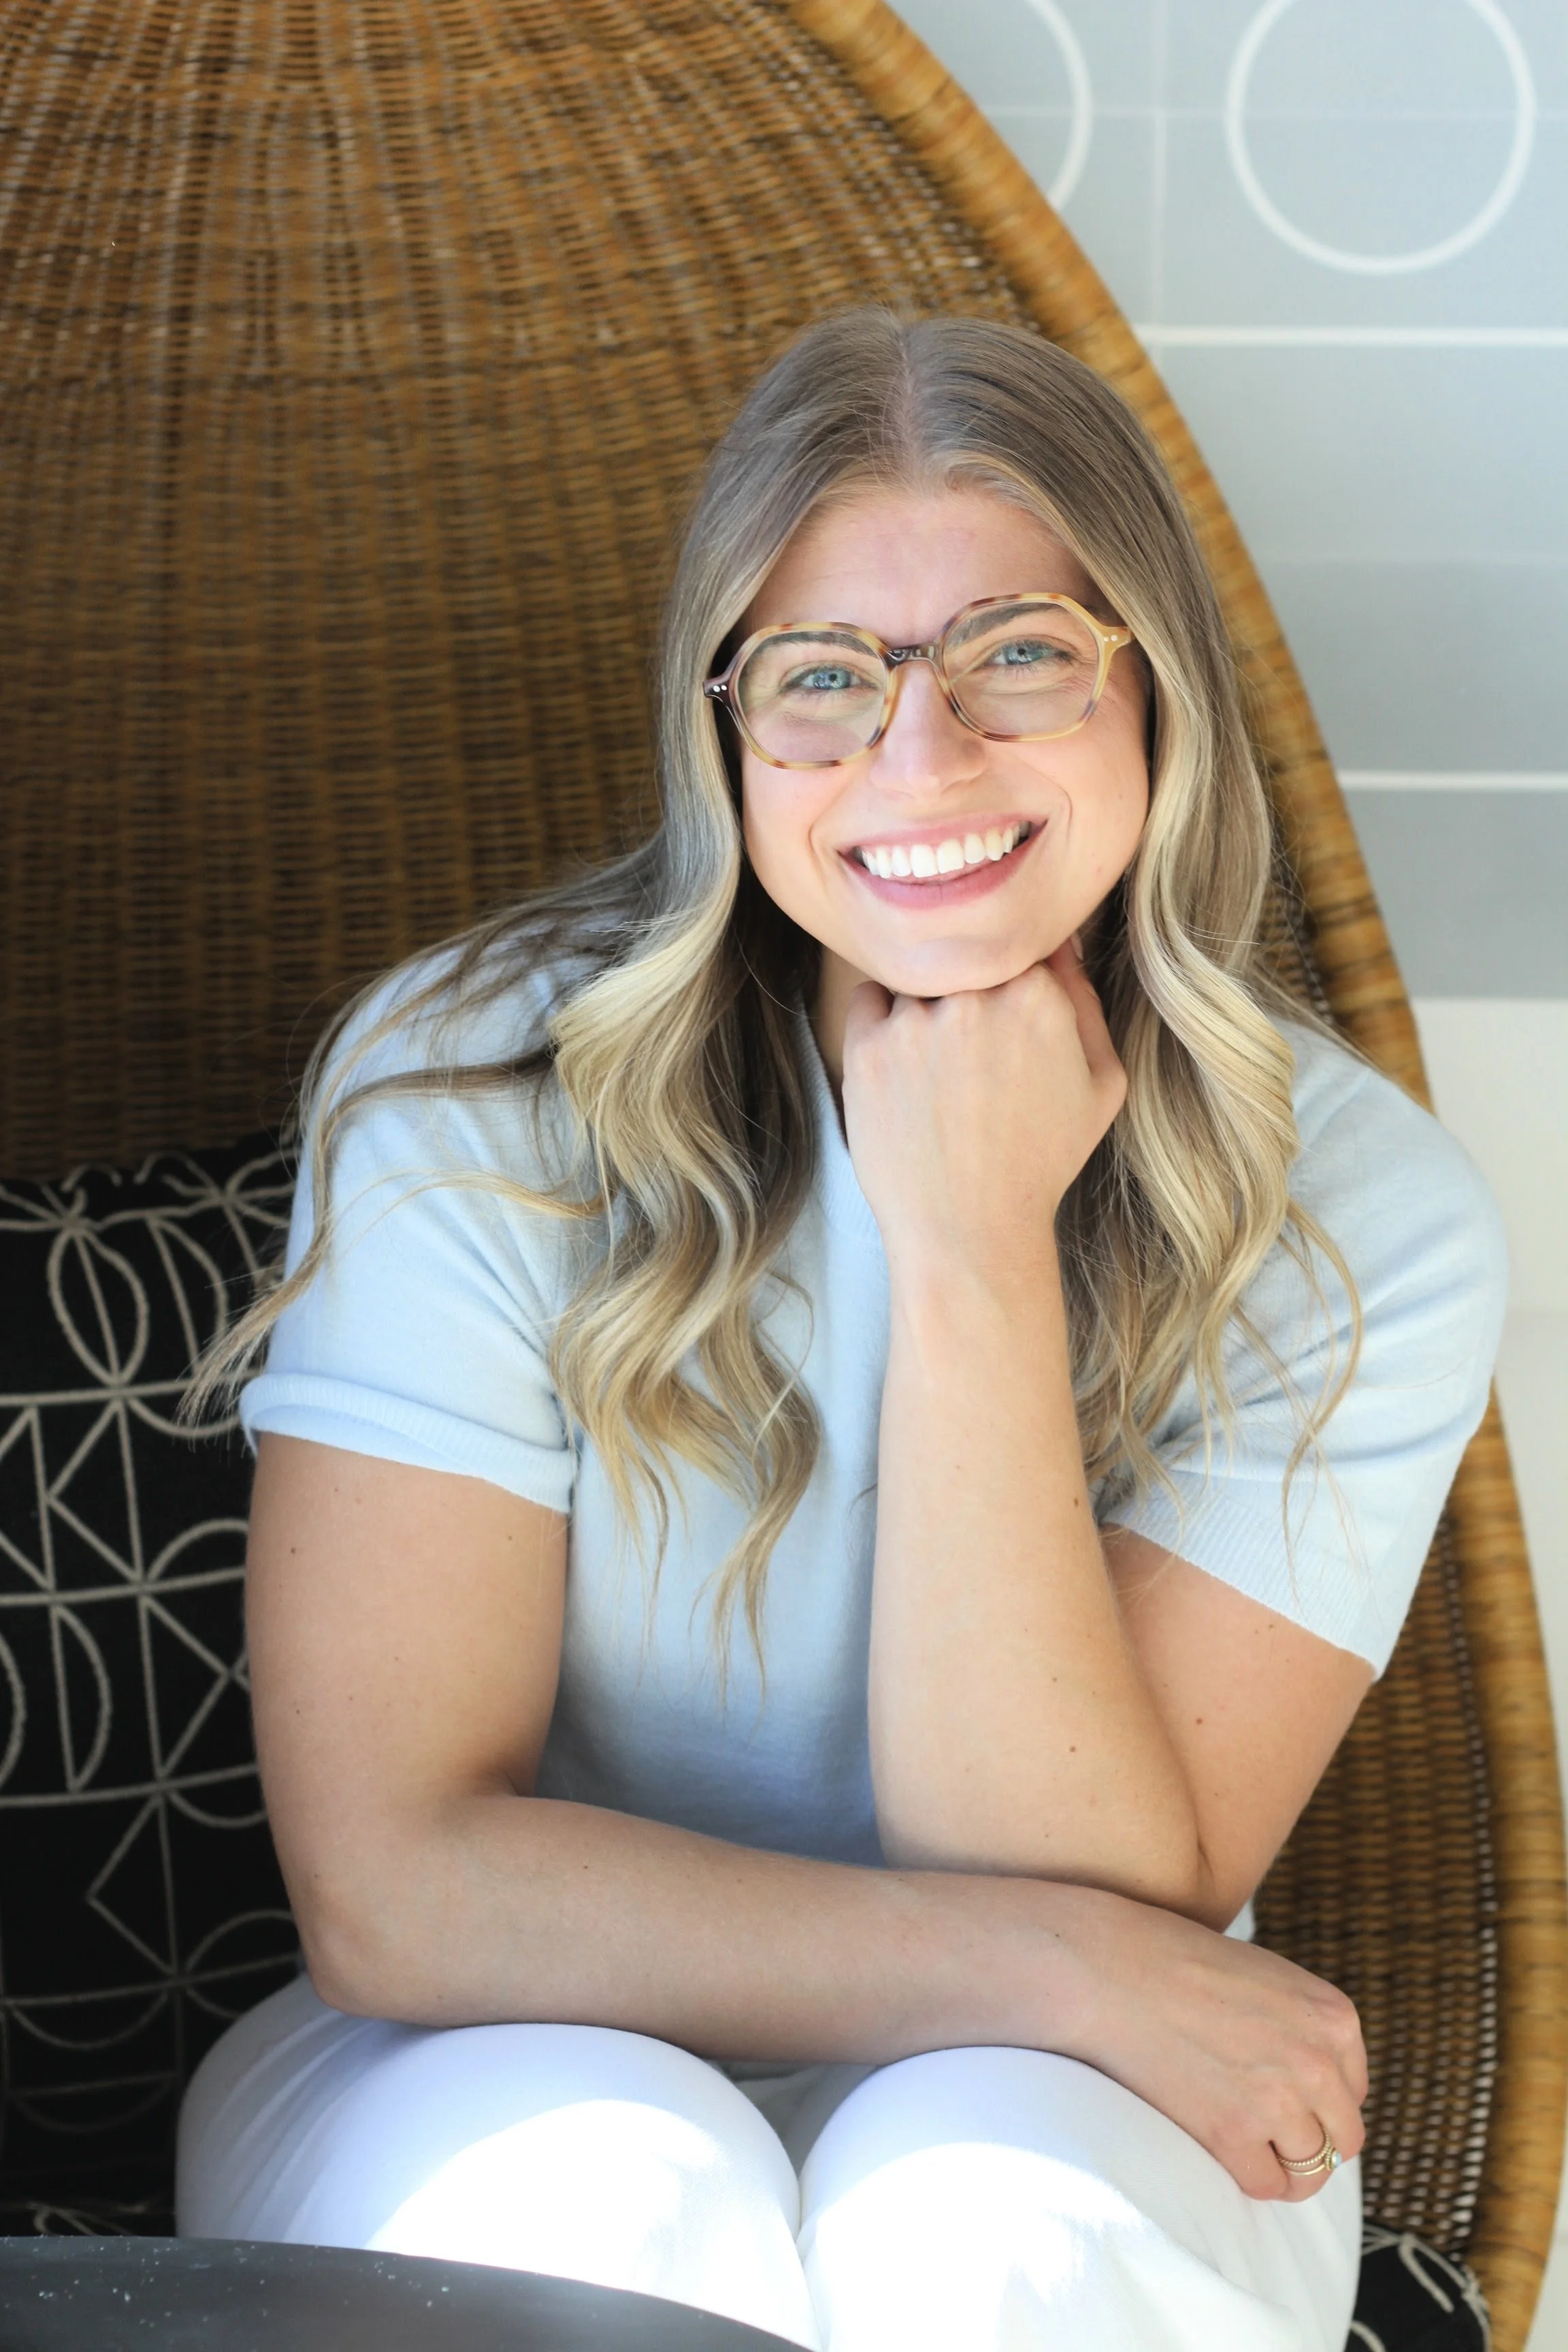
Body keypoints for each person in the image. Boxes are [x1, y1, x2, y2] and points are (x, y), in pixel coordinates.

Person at [176, 310, 1505, 2352]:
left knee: (987, 2224)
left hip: (1083, 2102)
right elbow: (401, 1888)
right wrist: (1051, 1968)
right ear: (726, 741)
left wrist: (970, 1253)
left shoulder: (1363, 1218)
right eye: (821, 677)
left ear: (1156, 685)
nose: (923, 757)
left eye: (1020, 655)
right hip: (475, 2046)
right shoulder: (470, 1095)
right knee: (613, 2194)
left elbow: (1085, 1879)